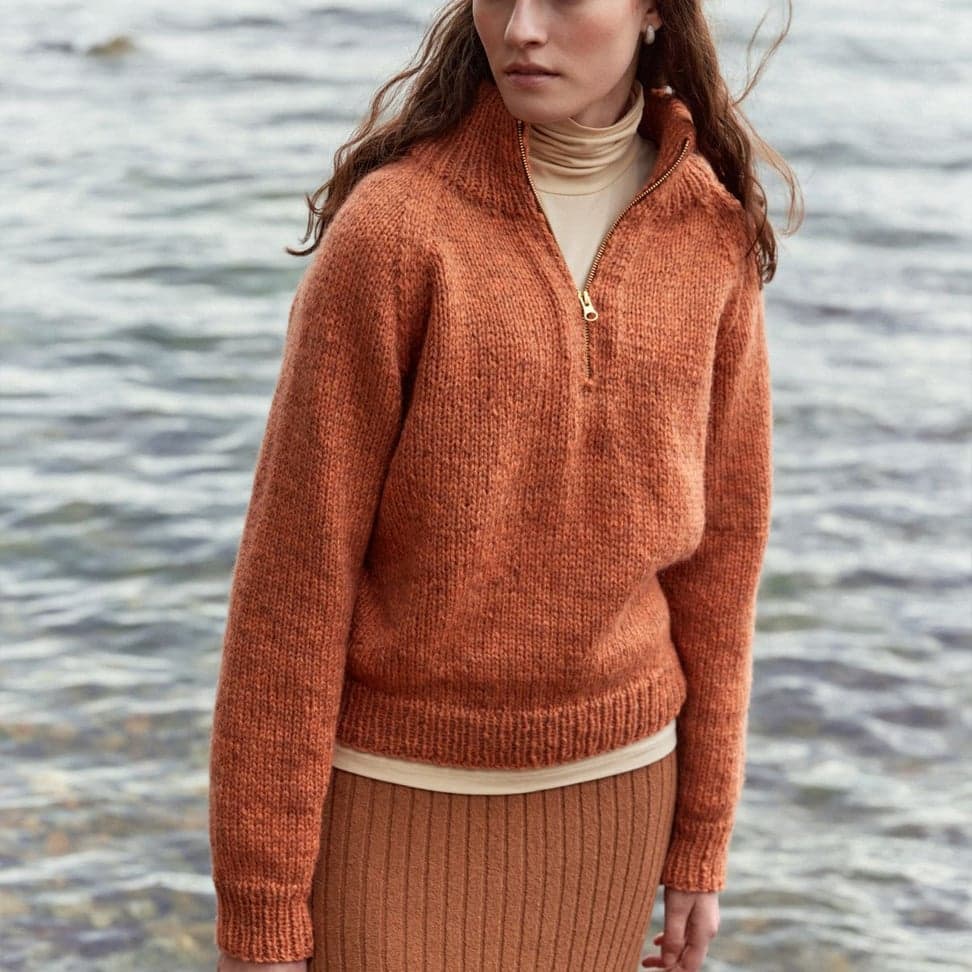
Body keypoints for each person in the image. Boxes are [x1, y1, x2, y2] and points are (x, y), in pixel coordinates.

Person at [207, 1, 802, 970]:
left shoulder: (712, 233)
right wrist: (261, 905)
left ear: (654, 11)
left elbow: (723, 565)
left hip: (615, 804)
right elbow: (294, 578)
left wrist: (702, 836)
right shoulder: (395, 231)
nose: (522, 27)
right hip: (389, 800)